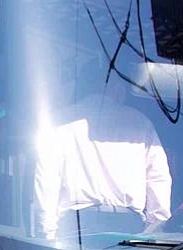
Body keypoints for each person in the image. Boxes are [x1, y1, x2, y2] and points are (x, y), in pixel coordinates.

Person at [33, 89, 172, 240]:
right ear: (117, 88)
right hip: (128, 223)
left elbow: (47, 179)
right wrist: (155, 225)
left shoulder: (59, 120)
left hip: (76, 224)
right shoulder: (139, 121)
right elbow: (157, 176)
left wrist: (47, 233)